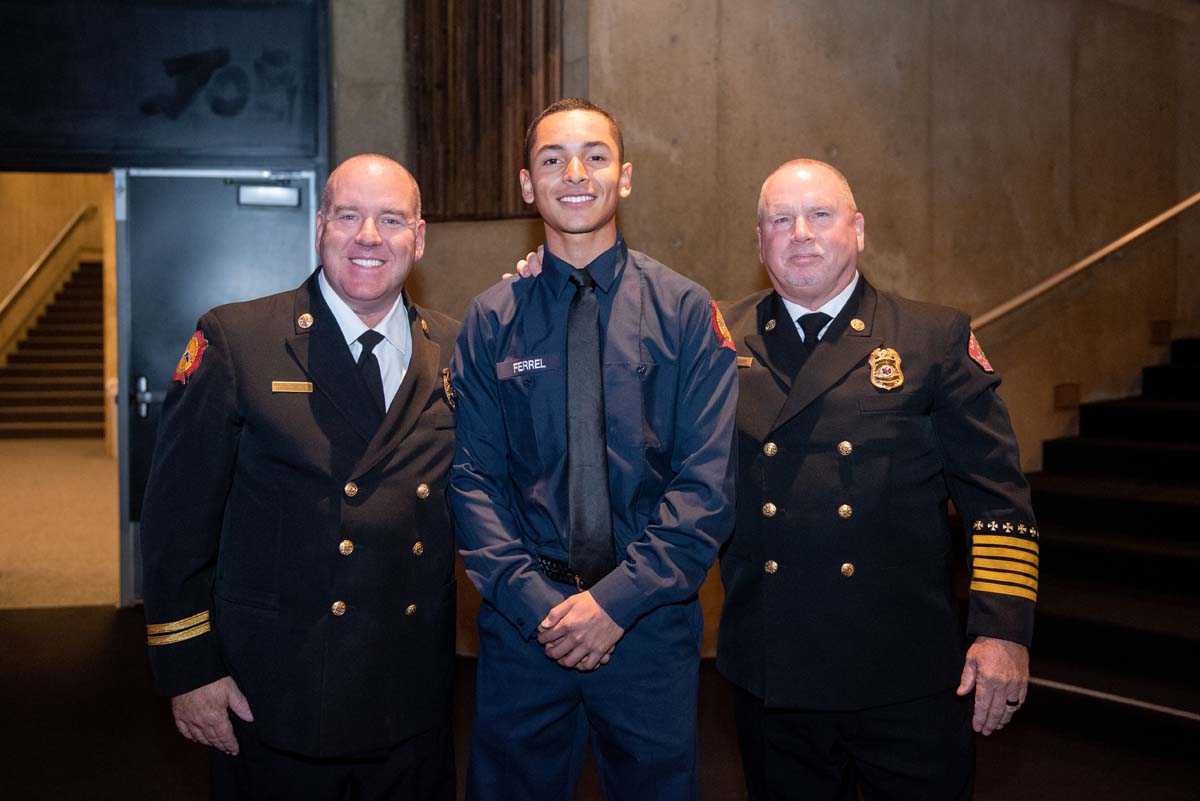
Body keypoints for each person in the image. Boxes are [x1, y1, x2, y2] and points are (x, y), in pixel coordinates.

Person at [140, 154, 458, 801]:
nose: (368, 236)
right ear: (320, 226)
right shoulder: (240, 340)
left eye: (390, 219)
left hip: (410, 698)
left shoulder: (456, 347)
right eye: (349, 215)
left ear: (418, 238)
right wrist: (188, 669)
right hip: (277, 694)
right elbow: (176, 522)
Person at [716, 159, 1037, 800]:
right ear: (759, 242)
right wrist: (546, 281)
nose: (800, 232)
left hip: (905, 673)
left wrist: (1001, 629)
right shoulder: (717, 336)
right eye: (780, 219)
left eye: (820, 215)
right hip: (772, 673)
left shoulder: (930, 337)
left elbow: (996, 495)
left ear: (858, 230)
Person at [448, 98, 738, 801]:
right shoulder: (491, 319)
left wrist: (614, 602)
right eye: (552, 159)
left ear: (626, 177)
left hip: (649, 623)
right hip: (526, 627)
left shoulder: (687, 312)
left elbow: (707, 486)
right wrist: (537, 603)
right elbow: (473, 480)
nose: (574, 172)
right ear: (527, 185)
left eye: (595, 156)